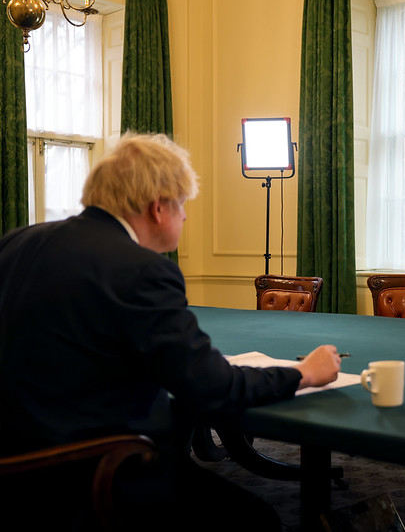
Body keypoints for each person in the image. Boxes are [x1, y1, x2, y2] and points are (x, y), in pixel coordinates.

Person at [0, 133, 342, 530]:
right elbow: (213, 390)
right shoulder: (141, 269)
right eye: (183, 206)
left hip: (14, 471)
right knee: (259, 520)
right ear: (158, 208)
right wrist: (304, 373)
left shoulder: (15, 243)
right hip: (91, 476)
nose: (185, 216)